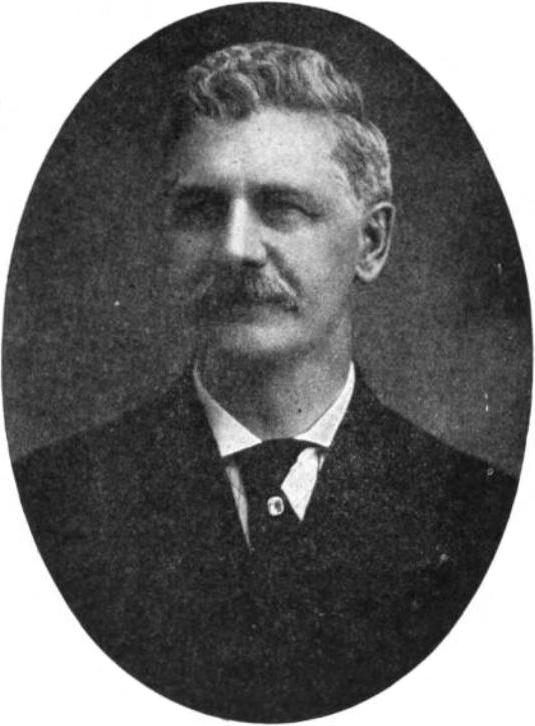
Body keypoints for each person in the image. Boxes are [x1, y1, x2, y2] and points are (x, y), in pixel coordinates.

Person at [15, 42, 517, 722]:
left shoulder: (481, 516)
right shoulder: (51, 503)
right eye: (201, 209)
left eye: (282, 208)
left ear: (371, 243)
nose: (236, 247)